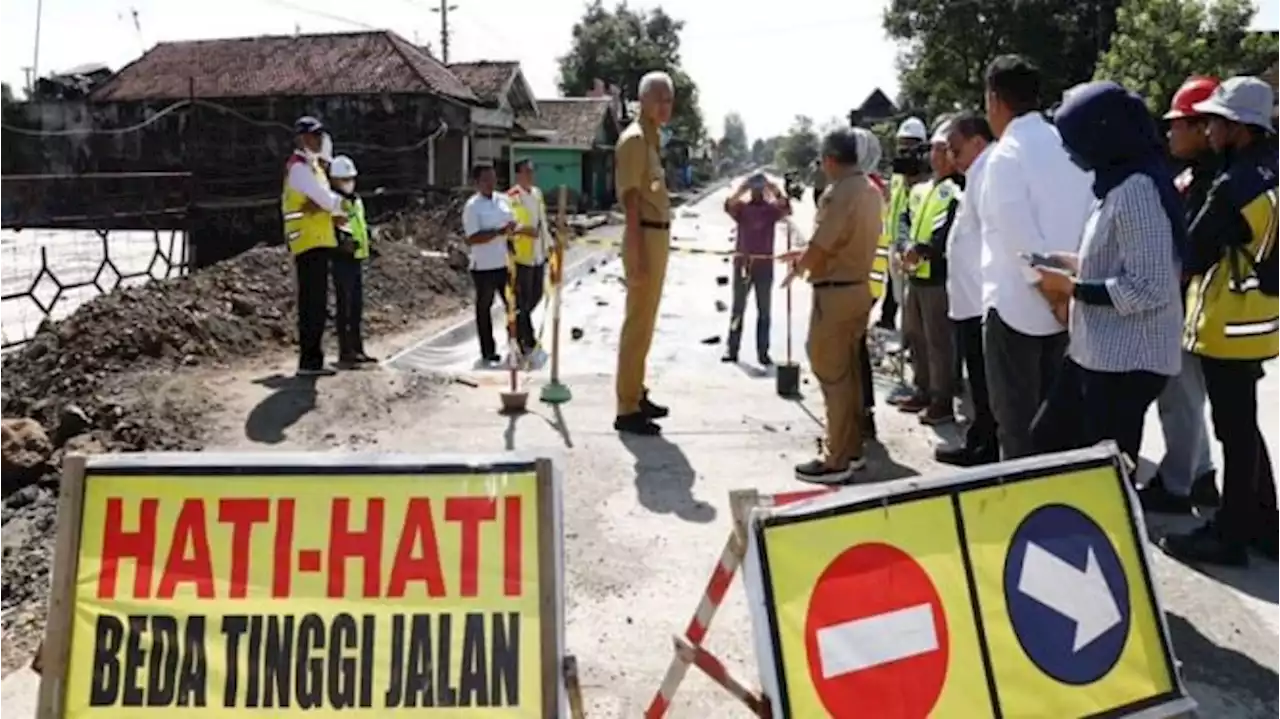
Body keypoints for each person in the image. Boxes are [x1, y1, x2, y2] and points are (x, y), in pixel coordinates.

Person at [1029, 81, 1184, 469]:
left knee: (1104, 470)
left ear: (1102, 134)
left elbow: (1151, 286)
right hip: (1097, 354)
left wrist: (1072, 289)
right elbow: (1116, 262)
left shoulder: (1137, 189)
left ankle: (1114, 531)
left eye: (1074, 139)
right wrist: (1064, 262)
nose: (1068, 151)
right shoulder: (1114, 184)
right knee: (1050, 442)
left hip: (1127, 363)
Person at [1160, 76, 1280, 567]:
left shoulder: (1232, 186)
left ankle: (1230, 535)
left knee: (1234, 429)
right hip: (1261, 318)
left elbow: (1193, 248)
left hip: (1228, 324)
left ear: (1239, 128)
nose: (1207, 130)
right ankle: (1265, 524)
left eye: (1215, 122)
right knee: (1244, 426)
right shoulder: (1270, 170)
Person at [978, 54, 1095, 459]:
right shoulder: (1068, 146)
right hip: (1067, 308)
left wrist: (1052, 294)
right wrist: (1065, 297)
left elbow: (1019, 238)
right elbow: (1087, 223)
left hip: (1016, 310)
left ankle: (1019, 513)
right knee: (1056, 424)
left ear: (994, 99)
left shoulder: (1005, 154)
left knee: (1016, 426)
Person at [1139, 76, 1223, 513]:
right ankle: (1202, 474)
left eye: (1179, 124)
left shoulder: (1215, 182)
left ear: (1203, 127)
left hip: (1196, 303)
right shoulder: (1199, 175)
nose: (1170, 132)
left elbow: (1192, 248)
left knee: (1180, 397)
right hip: (1197, 304)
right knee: (1186, 396)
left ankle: (1177, 486)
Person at [781, 129, 882, 484]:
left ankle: (836, 457)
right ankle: (851, 448)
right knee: (850, 376)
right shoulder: (870, 190)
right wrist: (805, 256)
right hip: (857, 288)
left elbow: (823, 244)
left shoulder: (838, 193)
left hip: (835, 294)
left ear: (830, 159)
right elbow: (841, 242)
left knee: (832, 374)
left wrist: (798, 268)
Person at [614, 71, 676, 436]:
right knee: (637, 324)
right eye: (659, 99)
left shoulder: (652, 139)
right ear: (643, 100)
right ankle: (626, 407)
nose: (665, 106)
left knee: (646, 324)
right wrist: (636, 255)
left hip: (657, 237)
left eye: (669, 100)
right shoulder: (635, 141)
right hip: (644, 237)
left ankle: (637, 392)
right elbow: (632, 203)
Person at [936, 112, 999, 466]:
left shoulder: (989, 173)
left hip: (980, 303)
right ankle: (978, 438)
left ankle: (985, 448)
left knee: (984, 385)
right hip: (968, 303)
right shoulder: (975, 176)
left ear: (978, 142)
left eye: (955, 149)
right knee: (976, 384)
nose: (951, 158)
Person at [897, 119, 962, 424]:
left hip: (937, 276)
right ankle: (921, 388)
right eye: (933, 150)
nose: (935, 156)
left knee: (938, 340)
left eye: (942, 150)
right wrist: (904, 246)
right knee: (915, 334)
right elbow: (905, 220)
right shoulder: (921, 189)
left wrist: (921, 250)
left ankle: (942, 398)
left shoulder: (956, 190)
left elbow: (946, 231)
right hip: (914, 275)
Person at [282, 116, 343, 377]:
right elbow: (326, 199)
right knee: (311, 304)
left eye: (320, 136)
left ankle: (314, 358)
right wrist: (332, 203)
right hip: (307, 242)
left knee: (317, 304)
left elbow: (325, 200)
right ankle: (309, 361)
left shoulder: (313, 166)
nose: (318, 140)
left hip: (318, 240)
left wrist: (328, 203)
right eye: (313, 136)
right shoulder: (299, 168)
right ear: (301, 138)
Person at [722, 172, 791, 365]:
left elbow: (786, 207)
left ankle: (763, 352)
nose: (757, 192)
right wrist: (741, 188)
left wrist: (774, 189)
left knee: (764, 311)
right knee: (738, 309)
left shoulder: (770, 211)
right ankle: (732, 349)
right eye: (755, 189)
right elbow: (728, 205)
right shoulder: (742, 209)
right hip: (743, 265)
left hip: (764, 266)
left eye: (760, 189)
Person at [875, 116, 929, 332]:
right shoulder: (898, 174)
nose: (904, 149)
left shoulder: (924, 176)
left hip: (912, 244)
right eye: (902, 143)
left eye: (910, 143)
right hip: (894, 241)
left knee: (910, 297)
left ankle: (911, 339)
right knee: (897, 292)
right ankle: (901, 331)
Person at [462, 162, 516, 365]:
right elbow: (472, 238)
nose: (491, 183)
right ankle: (488, 350)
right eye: (486, 179)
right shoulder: (472, 207)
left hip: (505, 262)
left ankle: (514, 343)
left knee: (512, 305)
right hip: (483, 266)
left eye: (493, 178)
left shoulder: (503, 200)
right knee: (485, 308)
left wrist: (511, 231)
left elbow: (511, 223)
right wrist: (497, 233)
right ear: (476, 183)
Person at [327, 155, 375, 367]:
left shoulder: (355, 200)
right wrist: (340, 245)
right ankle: (345, 351)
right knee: (344, 306)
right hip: (341, 258)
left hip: (356, 257)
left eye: (350, 178)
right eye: (343, 178)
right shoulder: (331, 201)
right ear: (334, 180)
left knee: (356, 306)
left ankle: (357, 348)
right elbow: (330, 229)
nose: (348, 182)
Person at [853, 126, 884, 439]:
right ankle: (863, 413)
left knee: (853, 352)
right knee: (856, 349)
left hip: (860, 284)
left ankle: (861, 415)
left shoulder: (864, 190)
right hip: (867, 283)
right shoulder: (871, 187)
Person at [507, 159, 553, 358]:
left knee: (536, 295)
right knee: (523, 299)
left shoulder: (537, 194)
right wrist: (523, 230)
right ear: (518, 175)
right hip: (521, 255)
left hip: (537, 254)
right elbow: (508, 225)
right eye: (526, 172)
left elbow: (542, 222)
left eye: (532, 172)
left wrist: (548, 245)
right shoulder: (511, 197)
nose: (530, 176)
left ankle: (519, 327)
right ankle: (526, 336)